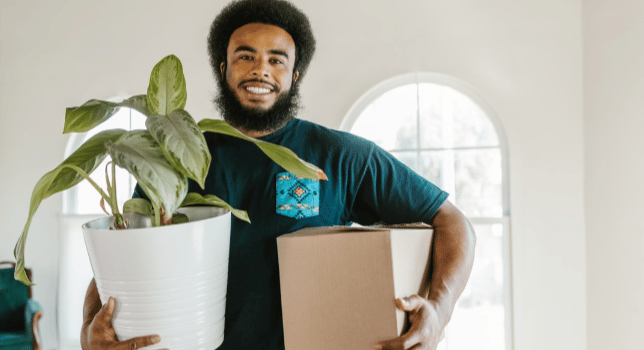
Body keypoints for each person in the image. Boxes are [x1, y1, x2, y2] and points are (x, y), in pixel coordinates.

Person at [81, 0, 476, 349]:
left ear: (294, 75)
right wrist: (88, 329)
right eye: (245, 57)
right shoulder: (175, 159)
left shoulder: (341, 155)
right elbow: (124, 251)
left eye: (276, 59)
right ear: (223, 68)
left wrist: (439, 313)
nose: (261, 70)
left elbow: (452, 221)